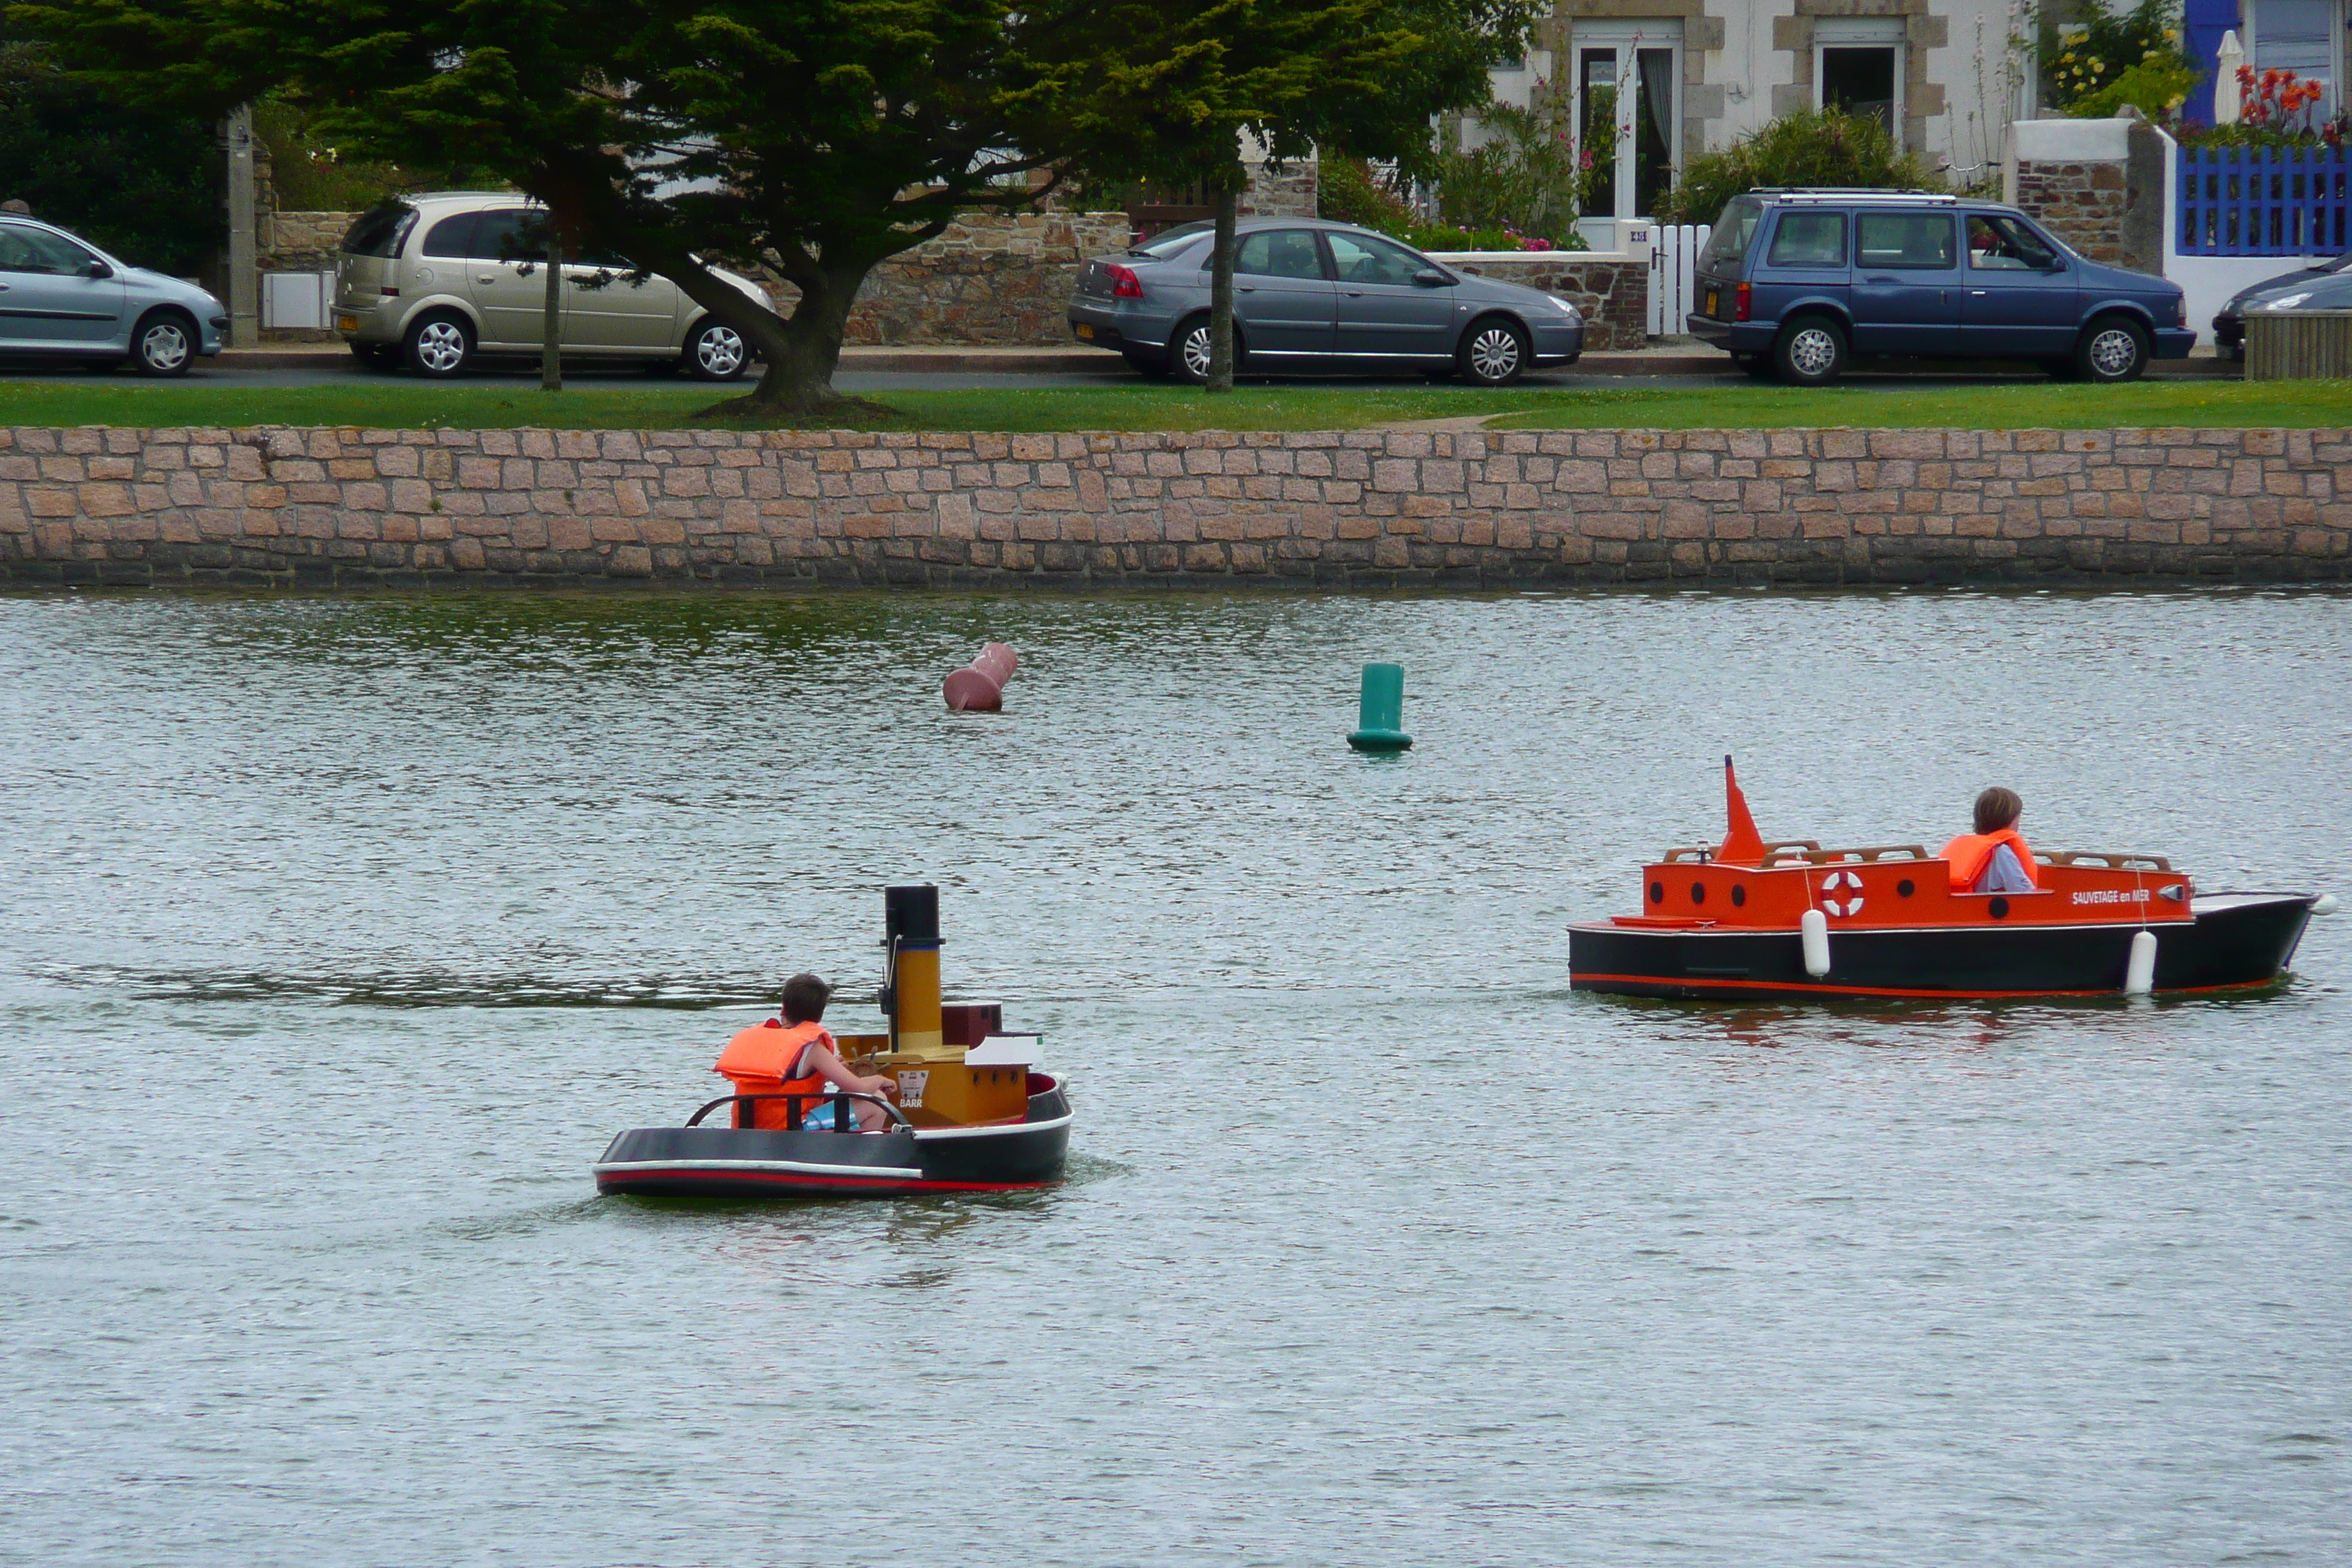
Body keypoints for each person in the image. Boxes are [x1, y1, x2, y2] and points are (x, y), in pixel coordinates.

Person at [713, 973, 898, 1131]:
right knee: (876, 1100)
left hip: (748, 1130)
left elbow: (783, 1082)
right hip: (791, 1131)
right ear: (820, 1015)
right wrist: (881, 1080)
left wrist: (823, 1075)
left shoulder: (755, 1039)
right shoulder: (812, 1047)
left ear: (784, 1009)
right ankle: (856, 1161)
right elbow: (860, 1088)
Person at [1941, 786, 2038, 894]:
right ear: (2010, 819)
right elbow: (2025, 892)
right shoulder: (2002, 852)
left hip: (1961, 906)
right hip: (1986, 909)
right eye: (2018, 817)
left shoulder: (1962, 848)